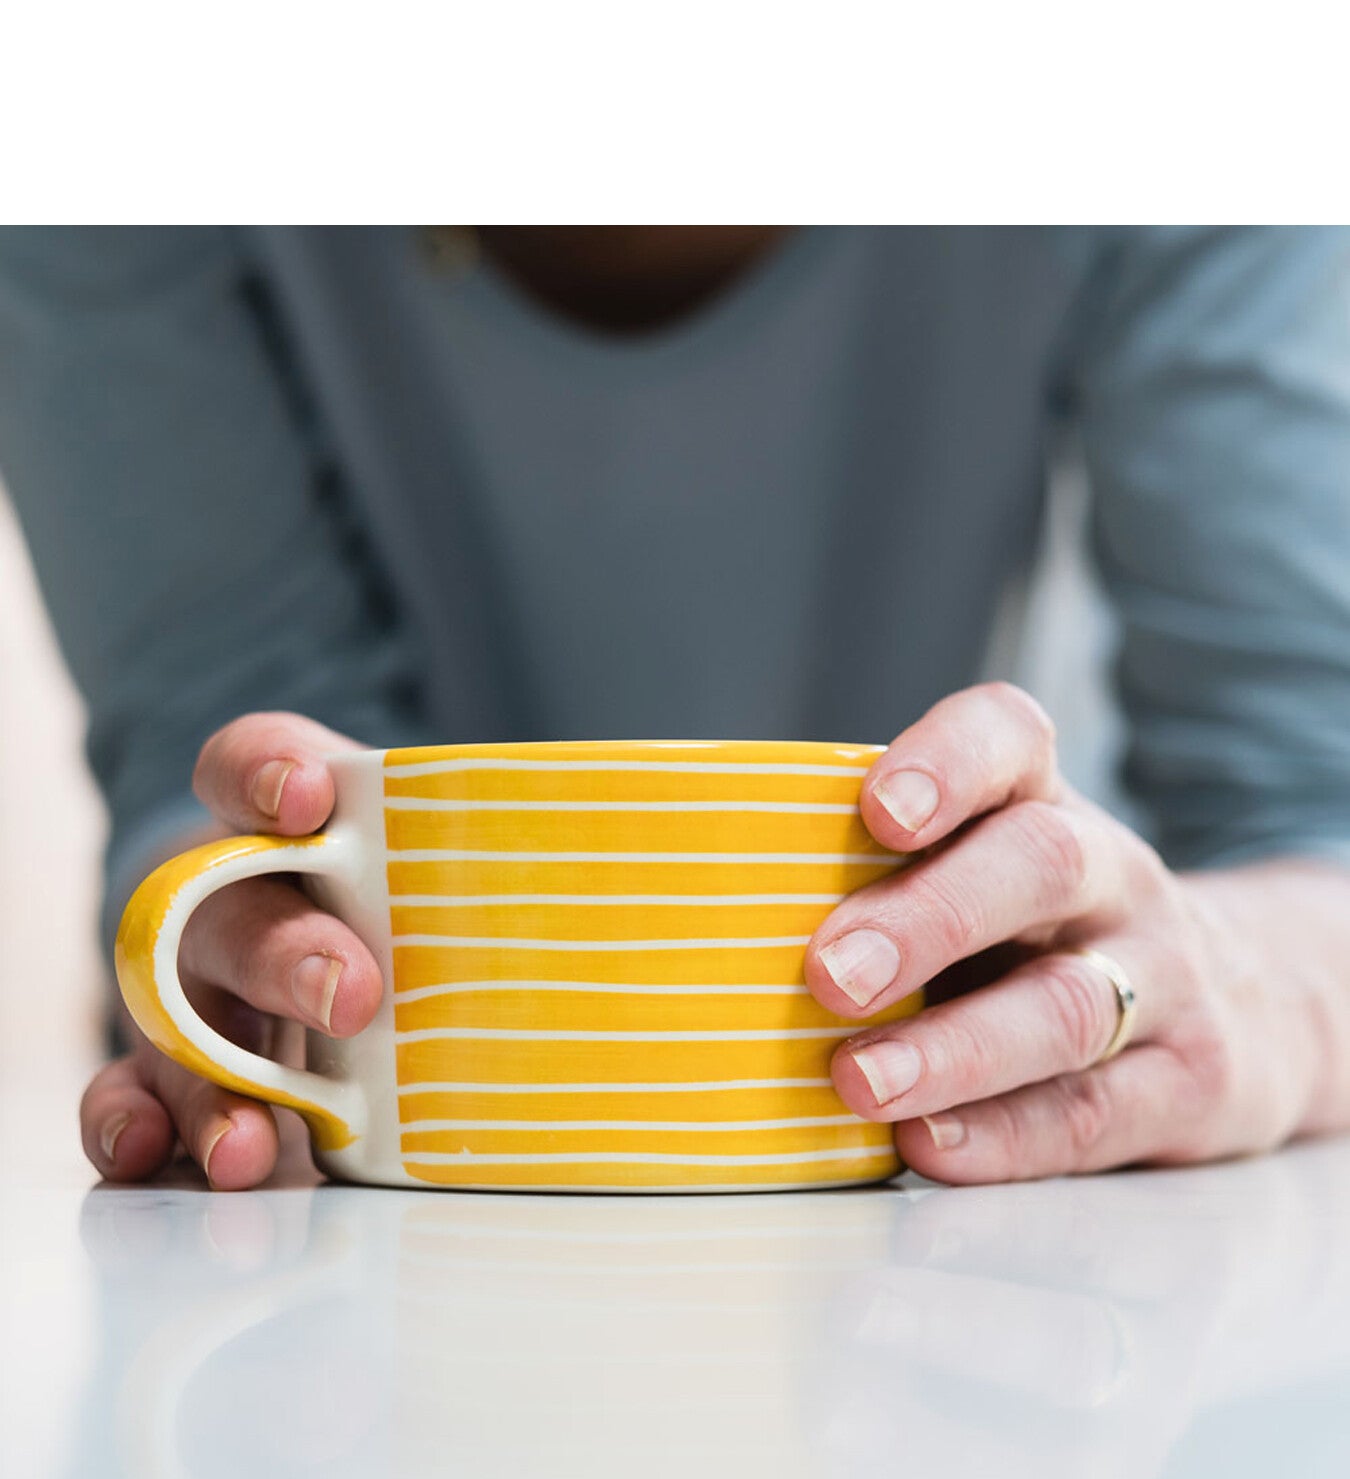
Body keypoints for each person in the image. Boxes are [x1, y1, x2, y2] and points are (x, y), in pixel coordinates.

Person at [2, 225, 1349, 1191]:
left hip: (952, 1234)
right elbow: (226, 761)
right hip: (411, 1297)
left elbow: (1309, 805)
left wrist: (1237, 994)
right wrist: (244, 980)